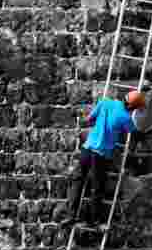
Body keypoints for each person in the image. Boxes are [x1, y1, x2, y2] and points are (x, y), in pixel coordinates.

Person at [61, 90, 146, 229]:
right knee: (97, 188)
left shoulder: (105, 102)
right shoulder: (125, 117)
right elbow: (135, 133)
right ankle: (95, 221)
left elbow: (88, 120)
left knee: (77, 181)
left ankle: (71, 215)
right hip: (101, 155)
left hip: (87, 149)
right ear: (131, 108)